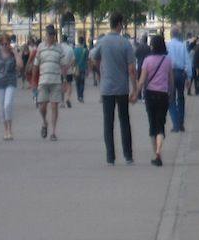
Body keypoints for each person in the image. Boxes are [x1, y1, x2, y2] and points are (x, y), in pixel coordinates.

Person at [90, 13, 137, 165]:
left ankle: (110, 157)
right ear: (119, 24)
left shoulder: (102, 42)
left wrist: (101, 72)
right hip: (122, 87)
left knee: (108, 122)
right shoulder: (125, 43)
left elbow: (94, 59)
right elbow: (131, 69)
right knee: (124, 121)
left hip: (107, 87)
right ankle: (128, 155)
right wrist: (135, 88)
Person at [134, 33, 174, 166]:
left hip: (150, 95)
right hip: (163, 95)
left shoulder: (147, 60)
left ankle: (156, 154)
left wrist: (135, 94)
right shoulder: (167, 60)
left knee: (152, 125)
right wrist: (171, 94)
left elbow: (141, 81)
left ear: (152, 46)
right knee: (161, 125)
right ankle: (158, 150)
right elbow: (171, 81)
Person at [30, 25, 68, 140]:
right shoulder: (41, 48)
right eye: (49, 35)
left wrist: (65, 81)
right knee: (42, 106)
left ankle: (53, 132)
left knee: (54, 106)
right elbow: (36, 65)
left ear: (55, 36)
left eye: (52, 35)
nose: (51, 37)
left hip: (56, 81)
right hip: (43, 81)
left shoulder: (59, 48)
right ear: (46, 35)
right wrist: (33, 81)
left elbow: (63, 66)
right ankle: (44, 122)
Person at [0, 34, 19, 140]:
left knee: (7, 104)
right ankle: (6, 130)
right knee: (2, 107)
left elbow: (20, 65)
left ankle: (10, 129)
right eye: (2, 44)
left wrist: (15, 53)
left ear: (9, 43)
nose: (5, 46)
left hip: (11, 81)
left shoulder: (12, 53)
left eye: (6, 43)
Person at [165, 29, 192, 132]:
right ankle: (181, 123)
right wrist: (189, 77)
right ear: (179, 35)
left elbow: (165, 59)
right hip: (181, 73)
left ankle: (175, 123)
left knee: (171, 98)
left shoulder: (168, 45)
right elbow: (188, 62)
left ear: (171, 34)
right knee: (181, 98)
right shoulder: (183, 45)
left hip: (170, 73)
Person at [59, 33, 75, 108]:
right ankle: (68, 98)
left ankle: (62, 102)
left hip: (60, 70)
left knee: (62, 85)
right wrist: (69, 66)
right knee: (69, 85)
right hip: (69, 70)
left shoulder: (58, 48)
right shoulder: (70, 48)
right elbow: (73, 60)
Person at [73, 35, 89, 104]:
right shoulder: (86, 50)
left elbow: (73, 60)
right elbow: (87, 60)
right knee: (82, 83)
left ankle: (78, 95)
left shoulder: (74, 50)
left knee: (77, 83)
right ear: (83, 42)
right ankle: (81, 96)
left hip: (76, 68)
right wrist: (88, 69)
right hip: (83, 68)